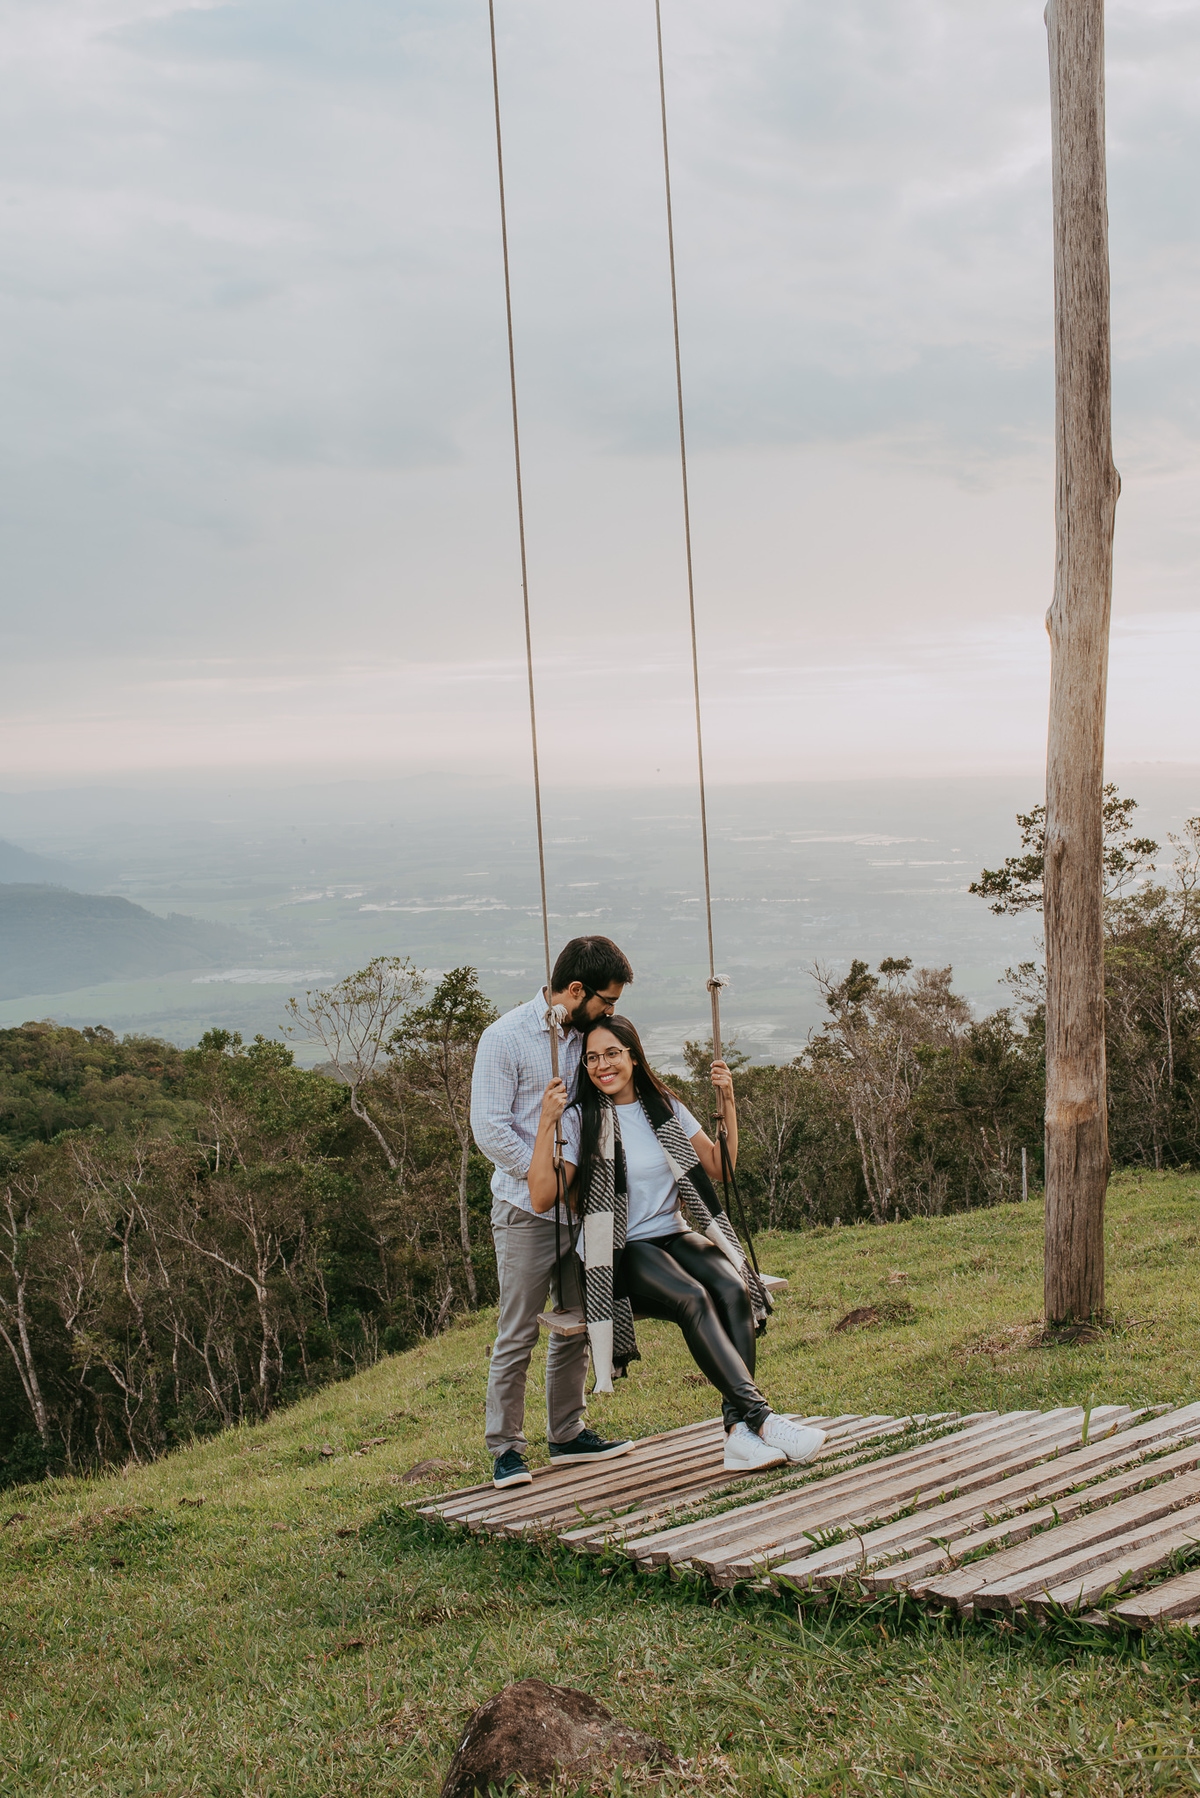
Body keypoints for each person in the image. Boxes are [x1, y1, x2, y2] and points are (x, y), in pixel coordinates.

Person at [528, 1014, 825, 1473]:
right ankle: (762, 1420)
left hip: (672, 1232)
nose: (602, 1065)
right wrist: (547, 1123)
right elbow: (542, 1195)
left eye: (612, 1054)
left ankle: (737, 1432)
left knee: (734, 1286)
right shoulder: (579, 1119)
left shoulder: (663, 1106)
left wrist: (727, 1099)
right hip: (619, 1250)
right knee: (692, 1297)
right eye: (591, 1058)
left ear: (633, 1056)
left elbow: (719, 1166)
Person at [470, 936, 637, 1489]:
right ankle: (506, 1450)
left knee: (579, 1319)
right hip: (525, 1209)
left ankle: (567, 1433)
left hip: (582, 1206)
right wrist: (548, 1177)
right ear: (575, 990)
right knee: (517, 1330)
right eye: (605, 1001)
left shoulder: (588, 1038)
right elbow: (490, 1129)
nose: (611, 1012)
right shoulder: (505, 1037)